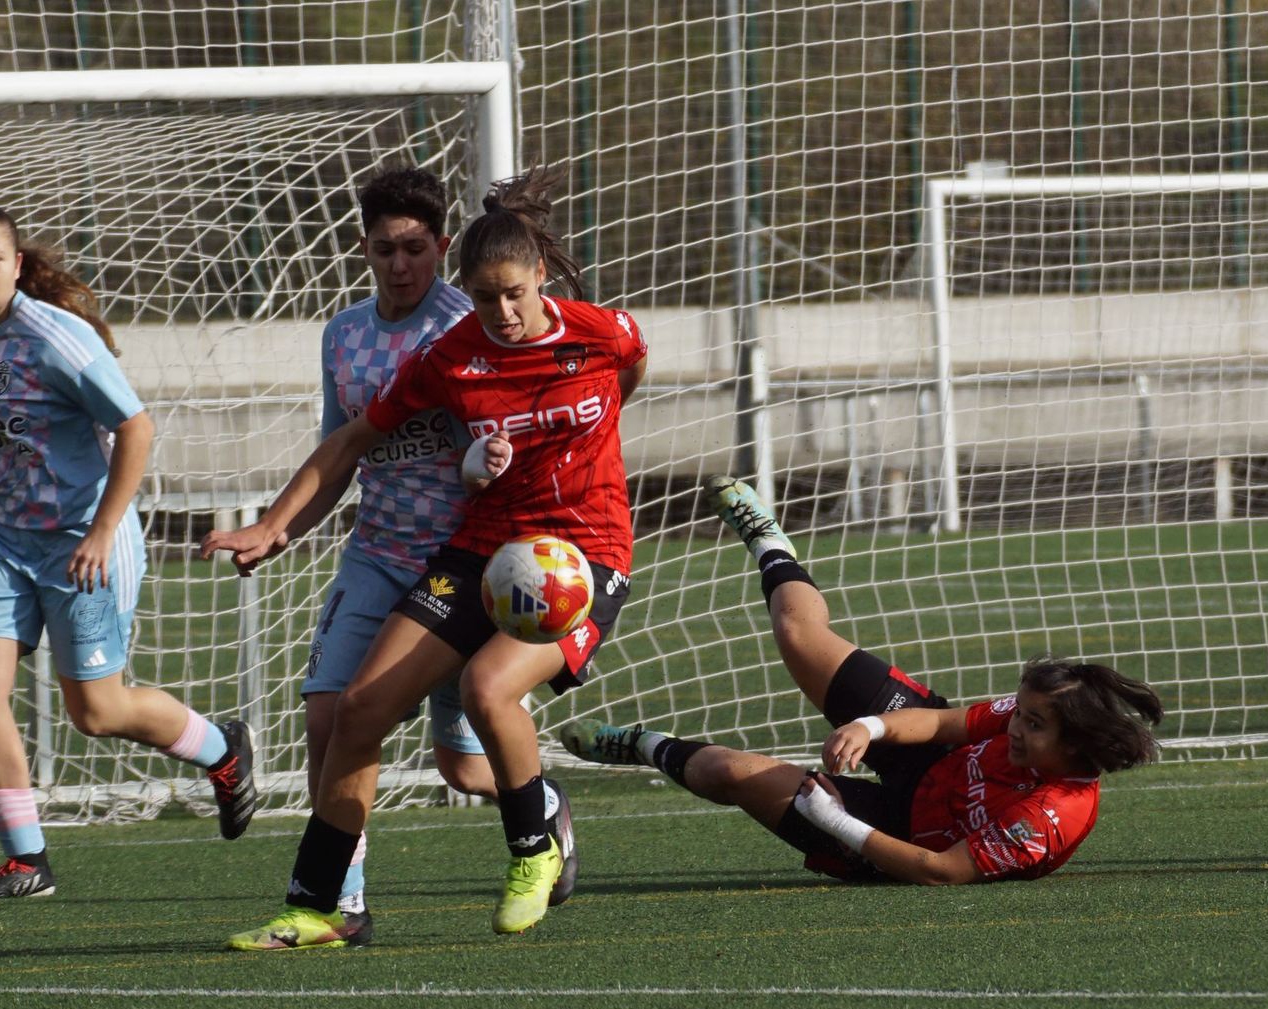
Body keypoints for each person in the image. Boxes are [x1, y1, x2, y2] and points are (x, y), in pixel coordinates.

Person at [206, 165, 646, 949]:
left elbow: (630, 373)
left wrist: (589, 455)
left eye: (514, 292)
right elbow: (354, 437)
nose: (502, 312)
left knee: (486, 688)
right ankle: (319, 906)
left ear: (540, 275)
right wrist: (275, 524)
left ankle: (531, 850)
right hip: (480, 550)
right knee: (356, 710)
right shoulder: (450, 356)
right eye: (485, 297)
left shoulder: (603, 332)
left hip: (585, 555)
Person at [0, 203, 257, 900]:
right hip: (1, 534)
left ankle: (221, 748)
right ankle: (26, 859)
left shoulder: (56, 336)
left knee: (95, 713)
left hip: (82, 538)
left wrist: (100, 531)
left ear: (17, 265)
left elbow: (137, 428)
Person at [560, 477, 1163, 885]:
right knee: (800, 636)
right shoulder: (1038, 710)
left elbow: (940, 871)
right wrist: (870, 726)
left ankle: (639, 746)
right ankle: (769, 539)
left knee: (726, 773)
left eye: (1034, 725)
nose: (1018, 725)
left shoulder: (1047, 817)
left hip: (896, 834)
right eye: (1023, 714)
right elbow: (945, 722)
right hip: (933, 756)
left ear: (1077, 746)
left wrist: (836, 822)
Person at [212, 168, 492, 946]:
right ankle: (344, 905)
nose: (400, 265)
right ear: (363, 251)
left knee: (464, 769)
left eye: (414, 249)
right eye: (383, 251)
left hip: (459, 564)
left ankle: (541, 806)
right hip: (375, 554)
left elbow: (490, 444)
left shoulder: (468, 325)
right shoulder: (344, 334)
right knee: (329, 717)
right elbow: (340, 452)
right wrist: (278, 529)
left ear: (440, 245)